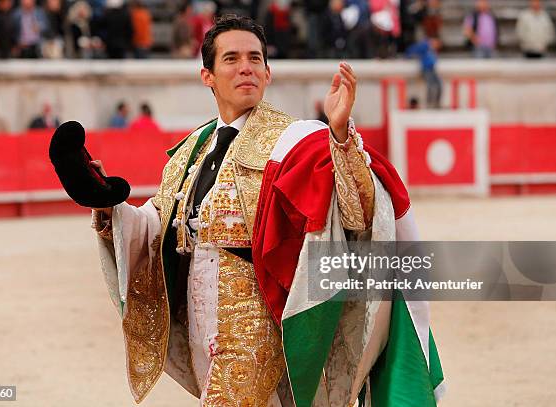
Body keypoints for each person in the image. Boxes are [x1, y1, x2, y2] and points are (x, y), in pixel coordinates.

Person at [89, 15, 444, 406]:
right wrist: (111, 207)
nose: (246, 67)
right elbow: (158, 227)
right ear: (207, 75)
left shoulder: (296, 140)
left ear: (268, 73)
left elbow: (358, 213)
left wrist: (340, 136)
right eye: (232, 59)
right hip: (200, 323)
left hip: (260, 329)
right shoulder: (192, 150)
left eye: (255, 59)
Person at [406, 36, 442, 108]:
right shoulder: (425, 46)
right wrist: (408, 56)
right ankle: (429, 103)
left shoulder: (432, 50)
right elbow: (411, 50)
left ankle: (436, 102)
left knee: (439, 85)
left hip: (432, 69)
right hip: (426, 69)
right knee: (430, 85)